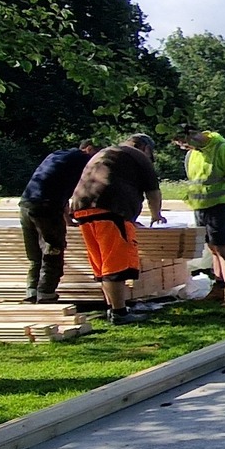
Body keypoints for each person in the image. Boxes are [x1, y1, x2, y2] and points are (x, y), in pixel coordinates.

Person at [66, 133, 166, 325]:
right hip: (110, 209)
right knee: (115, 263)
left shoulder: (106, 153)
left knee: (102, 262)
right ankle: (120, 313)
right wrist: (156, 215)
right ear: (145, 147)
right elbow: (153, 192)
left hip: (83, 209)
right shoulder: (138, 156)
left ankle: (112, 308)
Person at [174, 125, 225, 305]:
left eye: (183, 142)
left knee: (223, 248)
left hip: (220, 206)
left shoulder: (223, 149)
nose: (183, 147)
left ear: (193, 135)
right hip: (200, 206)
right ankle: (219, 286)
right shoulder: (193, 154)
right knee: (213, 248)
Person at [16, 140, 97, 303]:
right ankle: (46, 293)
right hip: (46, 208)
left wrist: (68, 221)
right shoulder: (83, 159)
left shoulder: (58, 155)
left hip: (26, 204)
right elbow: (84, 191)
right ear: (89, 149)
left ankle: (32, 291)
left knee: (35, 254)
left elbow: (59, 192)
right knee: (53, 250)